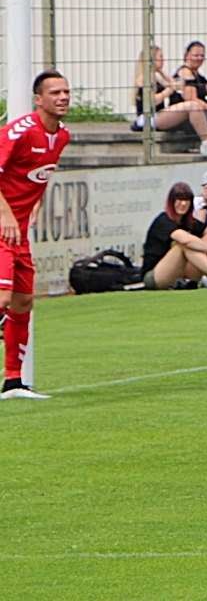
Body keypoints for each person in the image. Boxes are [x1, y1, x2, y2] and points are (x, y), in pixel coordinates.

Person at [0, 72, 72, 399]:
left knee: (23, 301)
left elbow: (36, 176)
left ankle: (13, 382)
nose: (63, 96)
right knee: (2, 297)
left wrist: (37, 201)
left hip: (18, 234)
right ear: (38, 99)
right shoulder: (19, 132)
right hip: (2, 227)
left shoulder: (63, 136)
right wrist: (6, 215)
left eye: (66, 91)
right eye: (55, 92)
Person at [140, 182, 207, 291]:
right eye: (179, 200)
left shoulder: (189, 221)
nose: (183, 203)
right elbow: (185, 240)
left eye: (187, 200)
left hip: (182, 274)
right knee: (184, 245)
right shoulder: (164, 220)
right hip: (156, 276)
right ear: (171, 202)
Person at [136, 47, 207, 157]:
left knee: (194, 106)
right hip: (148, 118)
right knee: (193, 106)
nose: (163, 60)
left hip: (158, 114)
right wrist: (171, 89)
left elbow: (178, 85)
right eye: (160, 57)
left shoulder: (156, 76)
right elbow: (151, 101)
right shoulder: (146, 77)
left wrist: (163, 73)